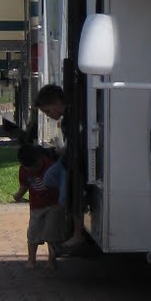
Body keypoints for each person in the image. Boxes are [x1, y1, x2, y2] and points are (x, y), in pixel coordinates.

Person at [34, 82, 89, 249]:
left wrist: (64, 151)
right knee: (49, 177)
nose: (49, 115)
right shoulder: (67, 118)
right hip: (66, 159)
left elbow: (78, 142)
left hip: (73, 161)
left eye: (48, 111)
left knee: (68, 195)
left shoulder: (73, 118)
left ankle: (77, 233)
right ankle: (64, 203)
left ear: (57, 103)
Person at [13, 142, 64, 267]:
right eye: (28, 168)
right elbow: (24, 185)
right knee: (33, 233)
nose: (32, 170)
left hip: (53, 205)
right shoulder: (24, 170)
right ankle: (31, 259)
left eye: (35, 166)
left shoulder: (50, 165)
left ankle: (52, 260)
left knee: (52, 234)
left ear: (40, 158)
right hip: (36, 206)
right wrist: (19, 194)